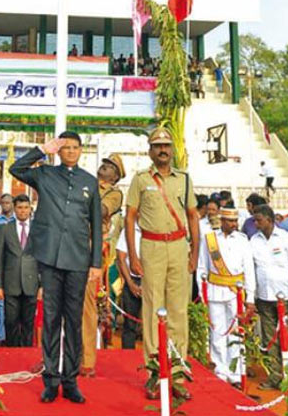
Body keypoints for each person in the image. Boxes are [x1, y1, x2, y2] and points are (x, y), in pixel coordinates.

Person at [9, 132, 102, 404]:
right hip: (49, 258)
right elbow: (16, 168)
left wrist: (95, 264)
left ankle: (70, 380)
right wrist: (41, 149)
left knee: (73, 321)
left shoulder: (90, 182)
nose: (70, 151)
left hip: (77, 260)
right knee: (50, 319)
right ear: (59, 151)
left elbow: (95, 225)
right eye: (66, 148)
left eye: (75, 147)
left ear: (81, 150)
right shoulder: (45, 174)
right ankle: (50, 379)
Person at [125, 127, 199, 400]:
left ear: (172, 149)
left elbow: (193, 217)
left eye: (166, 145)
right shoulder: (140, 180)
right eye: (157, 146)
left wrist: (195, 253)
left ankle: (178, 373)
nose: (163, 150)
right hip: (151, 245)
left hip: (179, 246)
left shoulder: (185, 179)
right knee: (152, 309)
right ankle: (155, 374)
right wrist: (133, 255)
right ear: (150, 151)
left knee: (179, 310)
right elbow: (129, 217)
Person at [197, 207, 255, 386]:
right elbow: (202, 267)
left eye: (235, 221)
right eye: (230, 221)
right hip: (215, 290)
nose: (234, 224)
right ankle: (221, 371)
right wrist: (202, 293)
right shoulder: (209, 239)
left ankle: (236, 372)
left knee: (236, 333)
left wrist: (250, 297)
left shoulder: (243, 240)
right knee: (217, 332)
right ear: (222, 221)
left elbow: (249, 269)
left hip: (235, 293)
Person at [249, 204, 288, 390]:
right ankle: (275, 376)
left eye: (259, 220)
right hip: (264, 297)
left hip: (286, 296)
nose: (256, 224)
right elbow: (251, 270)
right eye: (255, 220)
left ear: (270, 220)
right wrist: (252, 295)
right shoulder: (254, 241)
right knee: (269, 339)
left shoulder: (286, 239)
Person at [80, 153, 125, 376]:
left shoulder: (114, 193)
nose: (103, 168)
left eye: (109, 167)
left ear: (116, 176)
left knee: (87, 308)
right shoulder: (85, 182)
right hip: (70, 246)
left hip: (91, 252)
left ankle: (87, 360)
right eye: (104, 164)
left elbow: (102, 210)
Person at [0, 194, 39, 347]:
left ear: (30, 209)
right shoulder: (5, 229)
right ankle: (12, 352)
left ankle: (26, 352)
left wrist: (43, 285)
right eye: (19, 208)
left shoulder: (39, 229)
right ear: (14, 209)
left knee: (28, 323)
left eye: (26, 208)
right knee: (11, 322)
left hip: (32, 283)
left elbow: (44, 259)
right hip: (10, 283)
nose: (23, 211)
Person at [116, 218, 142, 349]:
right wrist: (131, 284)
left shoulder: (155, 228)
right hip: (132, 280)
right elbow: (121, 258)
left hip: (152, 282)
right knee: (129, 324)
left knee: (154, 324)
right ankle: (128, 356)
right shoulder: (128, 231)